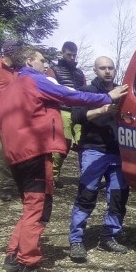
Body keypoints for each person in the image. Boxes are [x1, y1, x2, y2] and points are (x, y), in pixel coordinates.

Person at [0, 46, 128, 272]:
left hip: (15, 156)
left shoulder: (5, 92)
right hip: (35, 153)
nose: (46, 66)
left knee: (29, 209)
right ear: (30, 61)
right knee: (39, 209)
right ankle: (29, 265)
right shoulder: (35, 81)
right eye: (42, 61)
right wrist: (107, 97)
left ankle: (12, 260)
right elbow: (72, 96)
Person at [69, 56, 129, 260]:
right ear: (95, 70)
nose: (107, 71)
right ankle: (76, 241)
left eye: (110, 68)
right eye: (102, 68)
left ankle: (108, 237)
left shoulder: (123, 92)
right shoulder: (87, 91)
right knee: (86, 195)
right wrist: (100, 109)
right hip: (93, 150)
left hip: (118, 152)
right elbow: (76, 117)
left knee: (119, 196)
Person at [51, 41, 87, 186]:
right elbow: (50, 91)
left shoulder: (79, 73)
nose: (72, 58)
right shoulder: (53, 70)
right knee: (62, 144)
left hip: (79, 111)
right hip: (62, 110)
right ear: (62, 53)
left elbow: (85, 91)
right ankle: (53, 177)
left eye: (74, 55)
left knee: (84, 144)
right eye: (69, 55)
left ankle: (87, 177)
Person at [0, 40, 20, 200]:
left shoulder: (19, 71)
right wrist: (0, 94)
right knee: (1, 154)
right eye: (17, 52)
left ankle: (16, 183)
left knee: (15, 153)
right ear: (9, 52)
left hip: (16, 122)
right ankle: (5, 187)